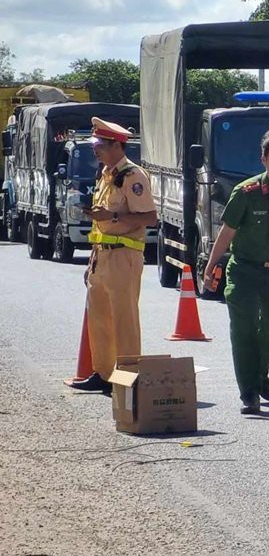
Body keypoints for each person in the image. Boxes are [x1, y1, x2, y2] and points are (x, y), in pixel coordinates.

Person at [202, 128, 269, 414]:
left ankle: (260, 378)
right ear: (263, 159)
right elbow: (226, 232)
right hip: (244, 271)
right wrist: (211, 265)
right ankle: (250, 392)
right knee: (244, 331)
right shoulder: (246, 192)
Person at [68, 118, 157, 395]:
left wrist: (113, 215)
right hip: (102, 256)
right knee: (99, 319)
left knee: (123, 319)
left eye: (100, 145)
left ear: (116, 145)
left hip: (124, 255)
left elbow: (150, 218)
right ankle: (104, 373)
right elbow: (100, 223)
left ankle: (127, 375)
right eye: (95, 144)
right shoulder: (105, 175)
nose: (95, 150)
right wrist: (91, 260)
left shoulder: (132, 176)